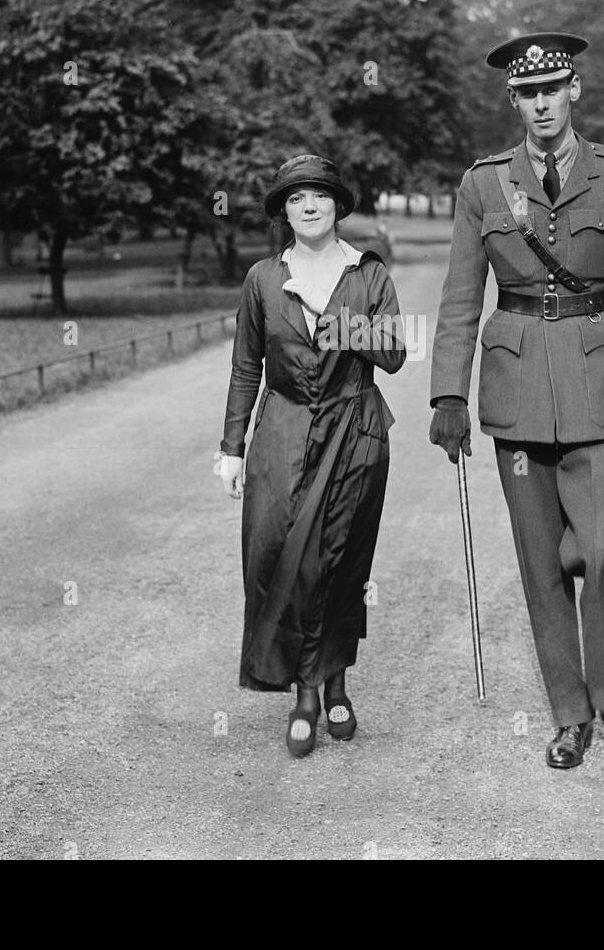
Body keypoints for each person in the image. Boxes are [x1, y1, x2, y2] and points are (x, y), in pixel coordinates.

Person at [428, 32, 604, 773]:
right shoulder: (482, 184)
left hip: (599, 389)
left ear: (575, 91)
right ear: (514, 101)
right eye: (526, 93)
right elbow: (459, 298)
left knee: (603, 553)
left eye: (553, 88)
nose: (541, 103)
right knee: (542, 565)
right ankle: (571, 716)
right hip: (515, 397)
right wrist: (449, 392)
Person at [218, 154, 406, 757]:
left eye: (319, 195)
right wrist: (231, 447)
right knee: (280, 557)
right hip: (282, 431)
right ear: (283, 211)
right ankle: (304, 690)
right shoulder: (262, 280)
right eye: (295, 197)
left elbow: (395, 351)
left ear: (337, 204)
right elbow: (247, 366)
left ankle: (336, 686)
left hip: (355, 430)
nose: (308, 206)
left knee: (341, 561)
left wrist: (331, 317)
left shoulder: (367, 272)